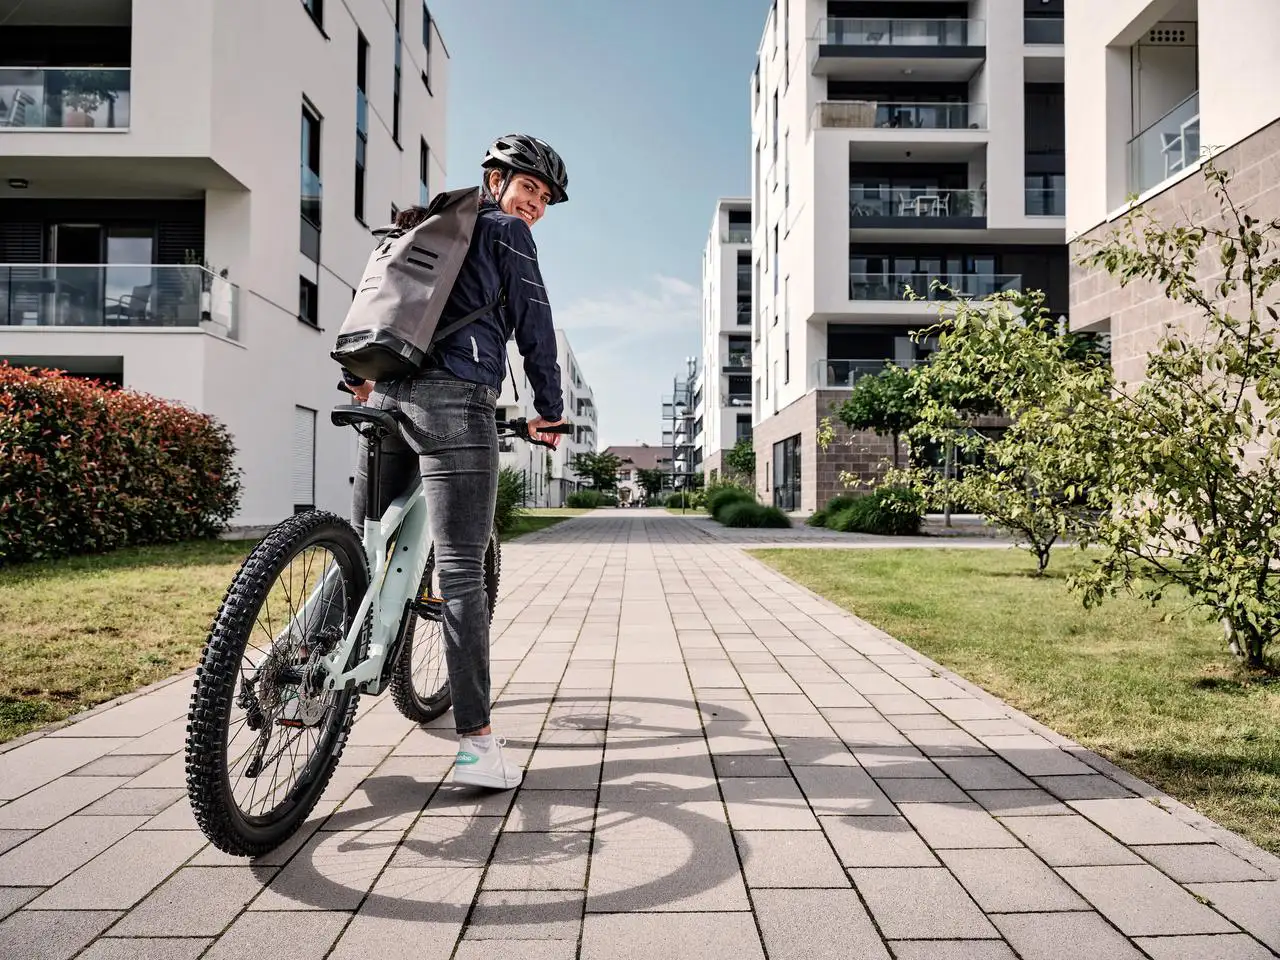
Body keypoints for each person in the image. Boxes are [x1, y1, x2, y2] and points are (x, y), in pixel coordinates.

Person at [343, 134, 569, 790]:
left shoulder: (430, 227)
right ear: (495, 179)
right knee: (464, 570)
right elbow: (535, 327)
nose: (537, 206)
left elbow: (376, 305)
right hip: (455, 401)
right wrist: (549, 412)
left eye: (546, 198)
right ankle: (476, 746)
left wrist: (358, 378)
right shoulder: (505, 234)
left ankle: (300, 660)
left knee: (367, 547)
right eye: (529, 188)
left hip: (385, 391)